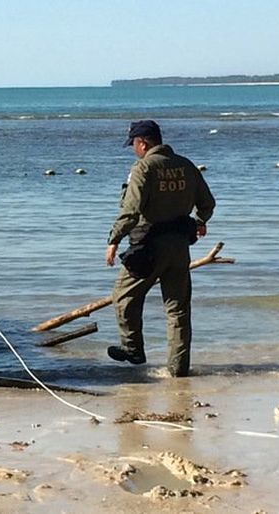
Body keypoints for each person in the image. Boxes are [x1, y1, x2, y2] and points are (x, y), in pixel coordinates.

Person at [105, 120, 215, 377]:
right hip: (179, 247)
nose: (133, 149)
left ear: (142, 143)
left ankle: (133, 349)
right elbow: (207, 203)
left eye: (133, 144)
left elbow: (130, 211)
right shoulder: (186, 165)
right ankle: (178, 369)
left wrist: (113, 240)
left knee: (123, 296)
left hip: (149, 247)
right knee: (177, 308)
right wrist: (200, 222)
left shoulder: (143, 168)